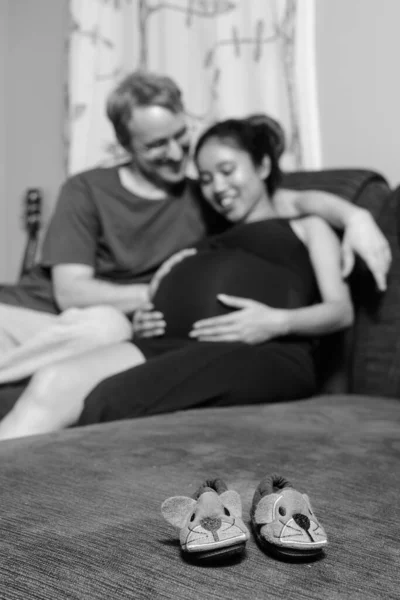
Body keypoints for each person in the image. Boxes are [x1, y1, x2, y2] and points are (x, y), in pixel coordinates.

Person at [0, 70, 391, 383]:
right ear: (125, 145)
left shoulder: (203, 195)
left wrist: (355, 217)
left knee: (108, 329)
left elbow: (288, 202)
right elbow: (70, 293)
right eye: (155, 145)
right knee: (107, 326)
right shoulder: (85, 188)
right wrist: (153, 298)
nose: (174, 154)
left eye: (179, 136)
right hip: (31, 315)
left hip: (99, 329)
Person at [0, 115, 355, 439]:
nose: (218, 187)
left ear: (263, 165)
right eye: (206, 179)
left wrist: (274, 322)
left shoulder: (306, 225)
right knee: (53, 381)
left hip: (263, 349)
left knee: (110, 401)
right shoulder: (207, 228)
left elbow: (341, 310)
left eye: (228, 170)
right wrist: (146, 317)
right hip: (170, 344)